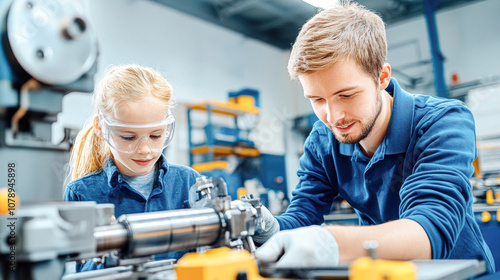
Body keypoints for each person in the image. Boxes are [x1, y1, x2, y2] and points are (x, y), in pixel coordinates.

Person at [253, 1, 495, 273]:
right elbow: (302, 217)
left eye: (346, 95)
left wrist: (333, 243)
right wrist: (270, 228)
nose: (333, 116)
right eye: (317, 99)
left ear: (382, 77)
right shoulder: (323, 141)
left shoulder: (444, 122)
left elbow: (428, 233)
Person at [64, 64, 200, 271]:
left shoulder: (188, 182)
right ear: (102, 128)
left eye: (156, 135)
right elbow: (79, 271)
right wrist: (109, 253)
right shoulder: (81, 194)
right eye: (129, 137)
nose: (145, 149)